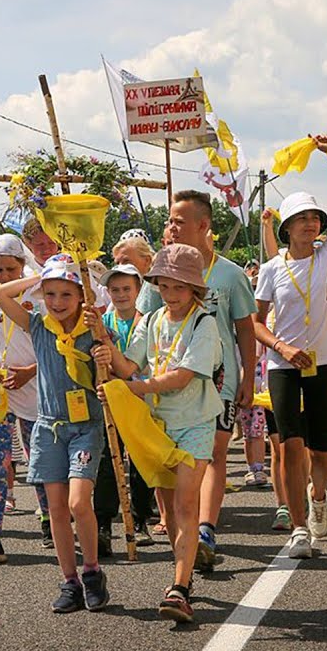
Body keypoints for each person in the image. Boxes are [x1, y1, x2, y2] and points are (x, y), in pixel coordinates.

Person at [94, 244, 222, 623]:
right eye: (164, 286)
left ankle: (179, 589)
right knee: (168, 510)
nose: (170, 294)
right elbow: (129, 364)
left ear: (194, 289)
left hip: (196, 423)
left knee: (185, 505)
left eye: (179, 287)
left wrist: (133, 388)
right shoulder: (149, 320)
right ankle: (182, 573)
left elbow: (182, 376)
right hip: (158, 426)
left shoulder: (204, 323)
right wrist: (103, 340)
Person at [253, 136, 327, 557]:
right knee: (290, 445)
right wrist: (280, 346)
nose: (311, 224)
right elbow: (256, 324)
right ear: (287, 228)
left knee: (320, 452)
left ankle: (319, 499)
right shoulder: (270, 269)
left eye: (315, 218)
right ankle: (298, 527)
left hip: (325, 363)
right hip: (283, 366)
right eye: (301, 219)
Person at [140, 189, 257, 573]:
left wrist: (248, 376)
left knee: (215, 454)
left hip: (218, 382)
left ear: (203, 225)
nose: (170, 226)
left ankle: (205, 528)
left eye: (178, 220)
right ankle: (182, 532)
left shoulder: (231, 274)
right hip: (170, 387)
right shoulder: (163, 273)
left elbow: (244, 327)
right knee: (174, 466)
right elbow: (143, 322)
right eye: (169, 220)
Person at [0, 253, 110, 613]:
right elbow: (0, 297)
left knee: (78, 503)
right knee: (57, 508)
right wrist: (36, 279)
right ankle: (70, 581)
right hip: (48, 427)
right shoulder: (38, 325)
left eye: (66, 294)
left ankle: (92, 571)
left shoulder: (93, 328)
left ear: (80, 296)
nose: (58, 303)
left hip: (86, 427)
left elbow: (110, 367)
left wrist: (102, 341)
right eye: (51, 294)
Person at [0, 234, 50, 565]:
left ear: (23, 265)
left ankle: (48, 519)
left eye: (9, 269)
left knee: (39, 458)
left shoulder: (41, 294)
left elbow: (55, 343)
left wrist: (31, 370)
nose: (2, 276)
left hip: (34, 384)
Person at [92, 263, 157, 552]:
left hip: (143, 398)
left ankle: (141, 519)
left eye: (126, 289)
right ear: (107, 292)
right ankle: (103, 524)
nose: (120, 295)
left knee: (141, 461)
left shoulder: (150, 322)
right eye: (115, 289)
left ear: (138, 290)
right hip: (111, 399)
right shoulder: (101, 323)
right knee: (108, 460)